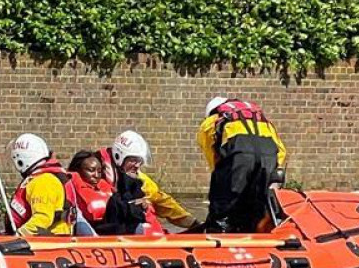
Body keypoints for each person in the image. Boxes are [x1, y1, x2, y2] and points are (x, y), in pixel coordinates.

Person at [197, 97, 287, 233]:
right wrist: (271, 174)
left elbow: (213, 158)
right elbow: (281, 150)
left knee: (223, 204)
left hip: (239, 155)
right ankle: (257, 235)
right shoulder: (262, 120)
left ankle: (219, 233)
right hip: (269, 156)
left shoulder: (212, 121)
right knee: (258, 205)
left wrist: (222, 182)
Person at [101, 130, 198, 233]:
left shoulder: (140, 180)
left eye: (140, 161)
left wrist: (192, 223)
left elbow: (162, 201)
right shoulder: (98, 173)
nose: (137, 165)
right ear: (118, 156)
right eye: (133, 160)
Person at [8, 133, 77, 236]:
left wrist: (18, 235)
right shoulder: (45, 177)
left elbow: (43, 218)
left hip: (49, 241)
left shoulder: (43, 182)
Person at [68, 151, 112, 233]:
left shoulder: (104, 186)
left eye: (99, 171)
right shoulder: (70, 185)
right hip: (85, 230)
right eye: (91, 170)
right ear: (78, 170)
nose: (96, 175)